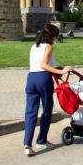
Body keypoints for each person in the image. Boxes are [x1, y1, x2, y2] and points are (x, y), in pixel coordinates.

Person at [23, 23, 73, 156]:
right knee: (46, 110)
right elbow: (44, 65)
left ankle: (27, 144)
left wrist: (57, 70)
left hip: (31, 78)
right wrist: (62, 72)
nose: (56, 39)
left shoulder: (34, 46)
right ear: (52, 36)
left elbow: (42, 64)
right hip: (43, 79)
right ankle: (41, 140)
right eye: (56, 37)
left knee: (30, 112)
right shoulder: (49, 47)